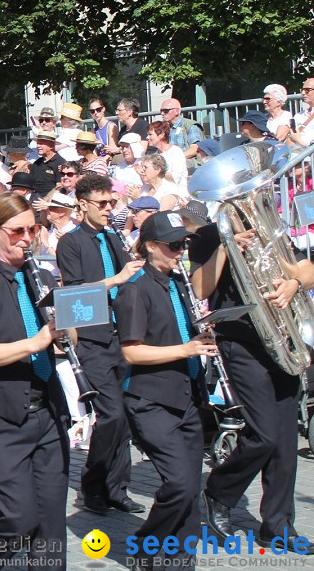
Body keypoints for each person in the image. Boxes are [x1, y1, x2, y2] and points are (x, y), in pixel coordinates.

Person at [0, 193, 69, 570]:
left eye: (33, 229)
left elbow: (62, 337)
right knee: (19, 518)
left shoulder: (41, 275)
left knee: (52, 522)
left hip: (47, 409)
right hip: (0, 415)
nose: (27, 238)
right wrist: (38, 342)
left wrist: (70, 332)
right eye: (17, 231)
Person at [191, 219, 308, 553]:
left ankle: (277, 525)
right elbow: (201, 287)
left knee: (285, 440)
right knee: (265, 434)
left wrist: (294, 283)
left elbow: (307, 267)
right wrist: (227, 248)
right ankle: (219, 490)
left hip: (280, 337)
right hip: (240, 340)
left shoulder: (269, 224)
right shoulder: (208, 234)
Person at [114, 211, 214, 569]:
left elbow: (179, 334)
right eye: (173, 245)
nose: (180, 252)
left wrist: (201, 337)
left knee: (190, 487)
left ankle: (179, 556)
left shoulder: (177, 283)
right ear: (151, 246)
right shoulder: (134, 289)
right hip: (150, 399)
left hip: (185, 394)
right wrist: (186, 349)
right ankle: (145, 543)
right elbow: (131, 351)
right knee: (180, 484)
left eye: (183, 244)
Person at [56, 174, 145, 517]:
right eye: (103, 204)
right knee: (110, 414)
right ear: (82, 204)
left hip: (122, 335)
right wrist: (117, 279)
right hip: (93, 338)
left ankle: (116, 488)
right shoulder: (71, 242)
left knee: (122, 418)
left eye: (112, 203)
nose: (110, 209)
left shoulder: (112, 237)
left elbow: (130, 278)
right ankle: (92, 486)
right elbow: (74, 294)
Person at [145, 121, 188, 190]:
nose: (147, 137)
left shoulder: (176, 152)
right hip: (159, 191)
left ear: (161, 135)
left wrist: (157, 172)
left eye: (150, 134)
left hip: (176, 192)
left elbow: (175, 178)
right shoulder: (155, 155)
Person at [282, 79, 314, 146]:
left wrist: (298, 140)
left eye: (307, 90)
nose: (302, 93)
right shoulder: (299, 116)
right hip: (295, 154)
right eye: (302, 90)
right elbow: (290, 141)